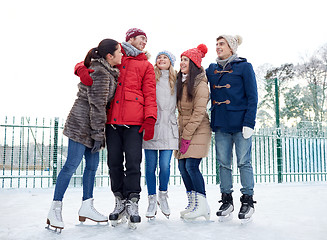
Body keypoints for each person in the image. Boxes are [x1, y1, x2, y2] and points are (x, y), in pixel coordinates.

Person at [75, 28, 157, 228]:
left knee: (134, 162)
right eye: (141, 38)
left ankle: (133, 201)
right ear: (130, 38)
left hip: (134, 121)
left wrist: (150, 118)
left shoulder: (146, 65)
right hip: (112, 120)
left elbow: (150, 92)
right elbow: (91, 58)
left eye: (146, 40)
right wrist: (80, 69)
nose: (144, 42)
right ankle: (119, 200)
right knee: (113, 163)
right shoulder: (117, 56)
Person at [46, 38, 122, 232]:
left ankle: (87, 205)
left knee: (92, 167)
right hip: (81, 124)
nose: (121, 55)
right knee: (72, 163)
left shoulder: (108, 71)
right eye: (119, 51)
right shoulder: (102, 73)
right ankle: (55, 209)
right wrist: (98, 134)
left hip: (93, 126)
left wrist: (97, 133)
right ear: (109, 56)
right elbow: (97, 106)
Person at [205, 35, 258, 222]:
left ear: (232, 47)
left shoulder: (245, 67)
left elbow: (252, 97)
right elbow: (196, 79)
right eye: (216, 44)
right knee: (223, 164)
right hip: (220, 122)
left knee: (244, 162)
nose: (218, 47)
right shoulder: (211, 69)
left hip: (241, 123)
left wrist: (249, 123)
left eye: (222, 44)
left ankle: (248, 200)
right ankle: (226, 199)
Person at [175, 44, 211, 221]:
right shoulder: (181, 81)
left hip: (198, 129)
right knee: (182, 167)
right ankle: (193, 203)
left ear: (194, 63)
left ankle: (203, 205)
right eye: (181, 59)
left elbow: (198, 113)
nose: (182, 63)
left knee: (191, 166)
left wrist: (187, 135)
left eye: (185, 60)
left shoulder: (200, 84)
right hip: (185, 130)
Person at [143, 51, 178, 219]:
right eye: (159, 57)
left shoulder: (177, 80)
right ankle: (151, 199)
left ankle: (163, 196)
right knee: (150, 167)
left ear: (171, 62)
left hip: (170, 127)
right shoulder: (150, 77)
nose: (161, 59)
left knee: (165, 165)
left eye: (165, 57)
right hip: (153, 126)